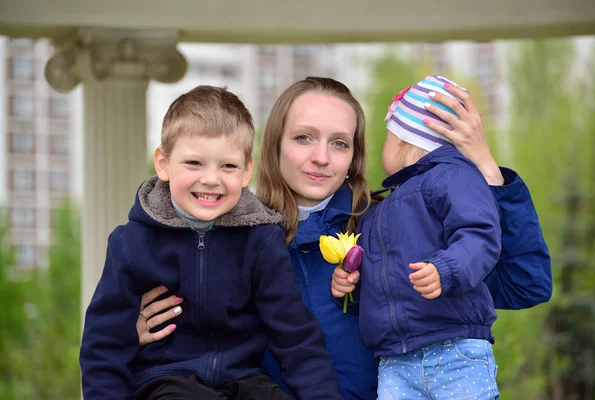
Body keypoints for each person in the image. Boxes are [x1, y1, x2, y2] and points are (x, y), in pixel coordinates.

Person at [135, 77, 552, 400]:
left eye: (339, 143)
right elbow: (186, 361)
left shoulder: (395, 228)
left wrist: (485, 169)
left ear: (355, 156)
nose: (321, 157)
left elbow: (524, 283)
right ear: (273, 145)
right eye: (303, 138)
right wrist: (130, 329)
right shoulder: (227, 235)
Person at [79, 85, 342, 400]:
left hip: (243, 379)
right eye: (194, 163)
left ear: (246, 172)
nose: (211, 179)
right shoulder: (132, 243)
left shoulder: (260, 240)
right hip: (164, 380)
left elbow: (295, 336)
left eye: (228, 166)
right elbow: (104, 344)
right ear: (163, 163)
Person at [332, 76, 505, 399]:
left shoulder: (452, 176)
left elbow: (480, 234)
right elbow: (381, 281)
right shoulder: (377, 211)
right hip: (395, 360)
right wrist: (349, 289)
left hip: (454, 348)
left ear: (403, 139)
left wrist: (446, 269)